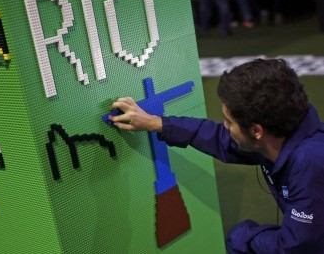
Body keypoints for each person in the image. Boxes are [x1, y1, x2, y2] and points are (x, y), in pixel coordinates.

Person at [109, 59, 324, 253]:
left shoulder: (310, 161)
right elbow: (217, 138)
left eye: (229, 122)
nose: (225, 127)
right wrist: (156, 123)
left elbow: (296, 247)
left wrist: (244, 238)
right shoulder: (281, 131)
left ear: (256, 131)